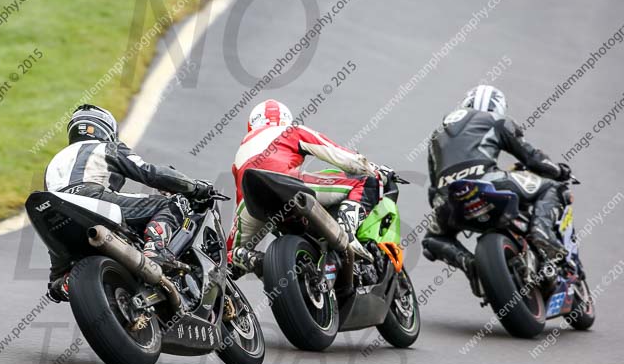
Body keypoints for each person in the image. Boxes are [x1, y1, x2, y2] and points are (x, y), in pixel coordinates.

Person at [43, 105, 214, 302]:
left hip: (56, 217)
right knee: (169, 203)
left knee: (58, 275)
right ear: (106, 129)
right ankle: (155, 250)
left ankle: (65, 283)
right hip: (93, 198)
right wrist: (195, 187)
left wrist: (56, 274)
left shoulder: (52, 163)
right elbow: (150, 173)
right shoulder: (106, 147)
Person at [422, 85, 572, 288]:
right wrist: (559, 171)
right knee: (553, 188)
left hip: (448, 198)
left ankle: (468, 263)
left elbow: (433, 190)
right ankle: (541, 233)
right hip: (488, 182)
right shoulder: (497, 121)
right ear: (499, 107)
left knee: (432, 238)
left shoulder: (436, 135)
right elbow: (533, 159)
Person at [226, 99, 389, 278]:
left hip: (251, 202)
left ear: (252, 125)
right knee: (367, 182)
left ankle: (248, 258)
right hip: (288, 183)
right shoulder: (292, 131)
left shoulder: (241, 150)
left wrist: (229, 247)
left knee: (228, 258)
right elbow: (338, 155)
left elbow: (240, 193)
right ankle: (346, 232)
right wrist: (373, 169)